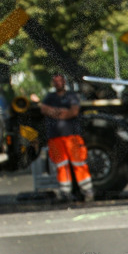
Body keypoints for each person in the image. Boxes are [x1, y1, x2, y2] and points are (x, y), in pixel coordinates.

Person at [40, 72, 93, 202]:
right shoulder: (50, 97)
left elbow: (74, 111)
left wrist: (57, 113)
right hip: (55, 137)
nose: (58, 83)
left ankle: (87, 190)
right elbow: (43, 108)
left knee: (78, 163)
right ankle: (65, 192)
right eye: (55, 81)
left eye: (60, 80)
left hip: (72, 136)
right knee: (60, 165)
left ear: (64, 82)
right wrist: (61, 112)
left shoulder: (71, 96)